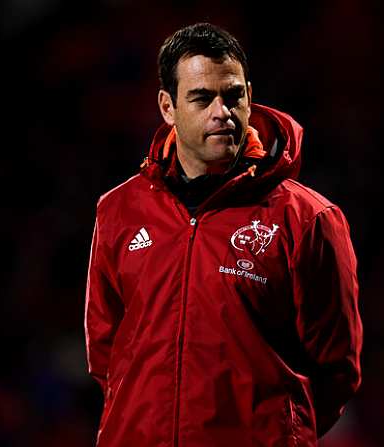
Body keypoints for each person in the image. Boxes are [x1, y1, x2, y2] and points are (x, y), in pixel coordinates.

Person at [84, 23, 362, 446]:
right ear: (167, 106)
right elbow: (106, 356)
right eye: (201, 98)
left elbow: (336, 369)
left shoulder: (307, 219)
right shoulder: (118, 211)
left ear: (249, 95)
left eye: (233, 96)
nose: (222, 112)